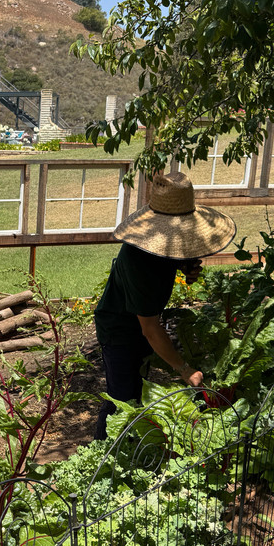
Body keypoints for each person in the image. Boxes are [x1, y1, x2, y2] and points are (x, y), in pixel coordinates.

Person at [94, 171, 236, 439]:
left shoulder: (168, 243)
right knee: (121, 399)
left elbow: (175, 257)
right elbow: (150, 328)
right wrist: (185, 370)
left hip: (142, 322)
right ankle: (101, 457)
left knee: (137, 387)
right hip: (119, 328)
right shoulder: (138, 260)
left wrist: (187, 267)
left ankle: (131, 449)